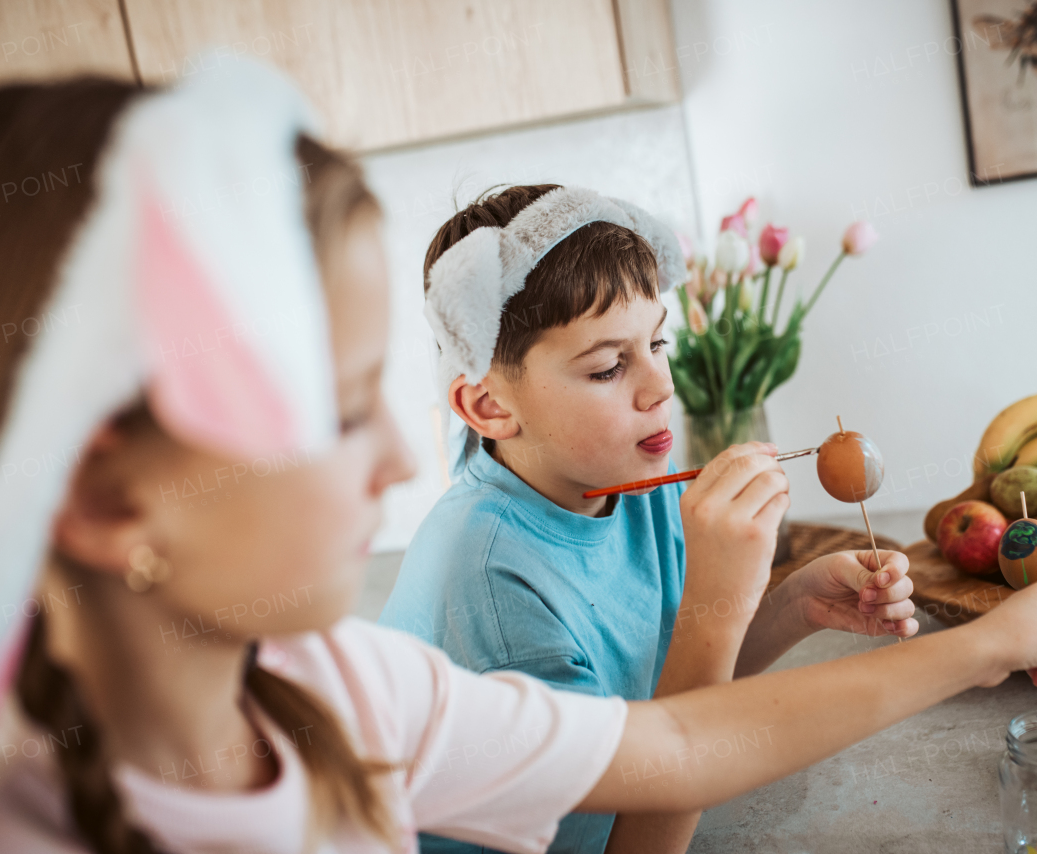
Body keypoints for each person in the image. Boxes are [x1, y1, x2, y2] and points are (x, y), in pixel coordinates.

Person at [0, 67, 1037, 854]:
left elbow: (661, 732)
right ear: (108, 492)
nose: (386, 459)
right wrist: (724, 611)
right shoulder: (477, 579)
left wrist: (818, 611)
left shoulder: (347, 689)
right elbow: (657, 767)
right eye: (322, 407)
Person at [379, 184, 922, 853]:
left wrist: (796, 604)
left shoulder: (632, 480)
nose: (661, 386)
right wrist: (719, 604)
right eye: (609, 367)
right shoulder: (490, 583)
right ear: (490, 407)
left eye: (657, 343)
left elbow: (663, 687)